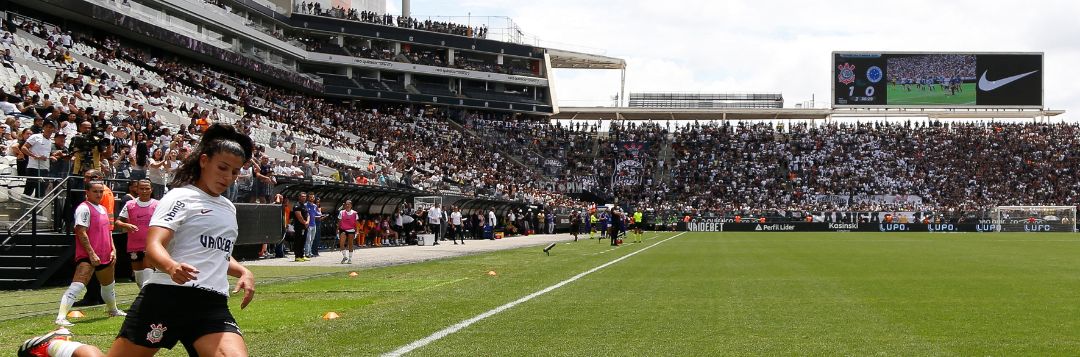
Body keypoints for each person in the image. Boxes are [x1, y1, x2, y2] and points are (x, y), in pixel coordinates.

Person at [106, 123, 256, 356]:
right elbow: (153, 245)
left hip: (212, 303)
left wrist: (244, 272)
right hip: (167, 298)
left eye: (235, 172)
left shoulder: (228, 208)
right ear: (204, 161)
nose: (228, 177)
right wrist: (170, 266)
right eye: (223, 168)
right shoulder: (180, 197)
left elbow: (216, 254)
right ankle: (61, 348)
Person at [54, 180, 126, 327]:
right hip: (89, 256)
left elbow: (108, 232)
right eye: (95, 191)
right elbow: (81, 232)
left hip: (106, 255)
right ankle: (61, 317)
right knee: (77, 286)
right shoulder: (83, 208)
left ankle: (113, 310)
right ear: (87, 192)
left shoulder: (103, 209)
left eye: (101, 191)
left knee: (108, 286)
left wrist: (113, 249)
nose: (99, 194)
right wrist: (92, 254)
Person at [116, 180, 156, 287]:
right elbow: (118, 221)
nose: (144, 191)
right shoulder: (130, 204)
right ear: (137, 190)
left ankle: (145, 302)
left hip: (150, 245)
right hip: (134, 245)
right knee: (139, 279)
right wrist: (126, 225)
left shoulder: (158, 205)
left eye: (147, 188)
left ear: (151, 189)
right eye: (141, 188)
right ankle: (144, 298)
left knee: (148, 275)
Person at [291, 193, 310, 262]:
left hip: (305, 227)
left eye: (305, 197)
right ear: (299, 197)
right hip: (299, 227)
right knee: (298, 241)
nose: (304, 198)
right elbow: (299, 216)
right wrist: (305, 223)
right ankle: (297, 256)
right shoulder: (297, 205)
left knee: (303, 241)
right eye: (302, 197)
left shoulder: (304, 206)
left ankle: (302, 255)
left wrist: (307, 222)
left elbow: (308, 214)